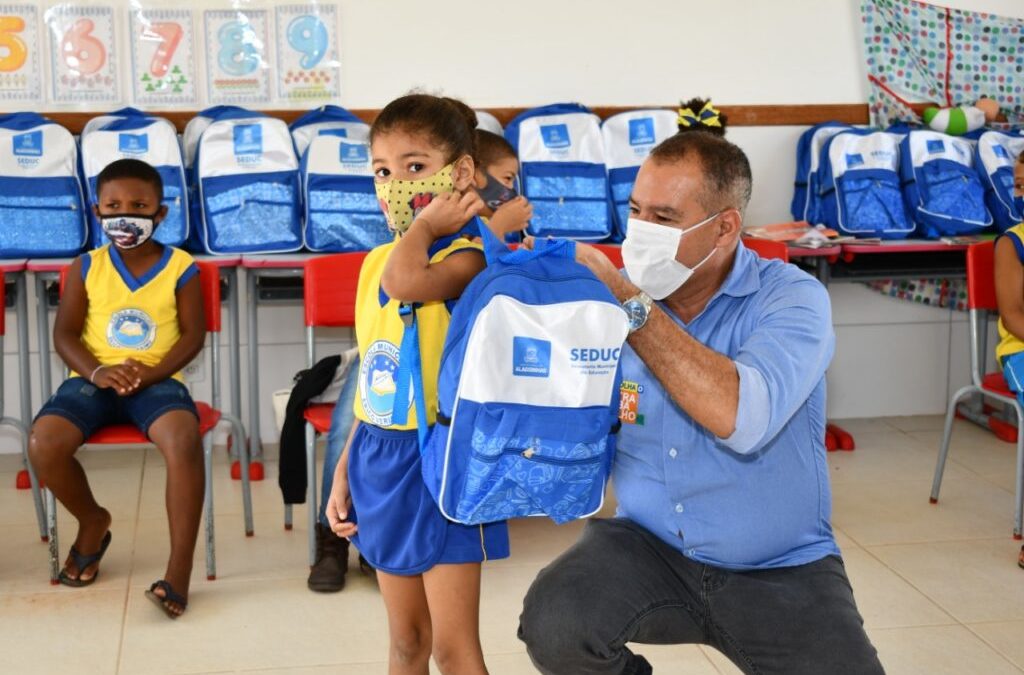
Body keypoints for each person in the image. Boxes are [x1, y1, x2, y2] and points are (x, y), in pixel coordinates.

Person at [517, 102, 884, 674]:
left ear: (725, 227)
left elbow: (740, 416)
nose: (641, 232)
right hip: (648, 548)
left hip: (778, 565)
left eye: (664, 218)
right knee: (556, 620)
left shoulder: (790, 298)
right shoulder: (609, 297)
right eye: (635, 211)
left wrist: (629, 303)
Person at [325, 94, 522, 674]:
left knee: (453, 651)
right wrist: (344, 465)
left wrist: (433, 222)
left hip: (445, 459)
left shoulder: (470, 257)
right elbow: (374, 374)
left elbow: (411, 281)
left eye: (414, 168)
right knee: (407, 642)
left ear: (461, 173)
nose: (395, 185)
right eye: (382, 171)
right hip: (380, 458)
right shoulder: (374, 264)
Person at [28, 158, 205, 619]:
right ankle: (93, 521)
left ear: (161, 213)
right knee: (44, 443)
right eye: (113, 206)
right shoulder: (85, 266)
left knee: (183, 439)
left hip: (158, 379)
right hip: (92, 380)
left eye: (139, 205)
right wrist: (97, 373)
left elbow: (192, 336)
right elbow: (64, 335)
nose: (125, 214)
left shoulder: (182, 267)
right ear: (96, 210)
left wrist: (151, 373)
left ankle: (178, 570)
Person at [992, 150, 1024, 571]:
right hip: (1019, 349)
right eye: (1018, 184)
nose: (1019, 191)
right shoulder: (1012, 241)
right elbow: (1014, 316)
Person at [473, 129, 532, 238]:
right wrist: (499, 226)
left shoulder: (482, 222)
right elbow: (473, 254)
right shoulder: (444, 219)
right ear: (473, 175)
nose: (511, 189)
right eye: (507, 178)